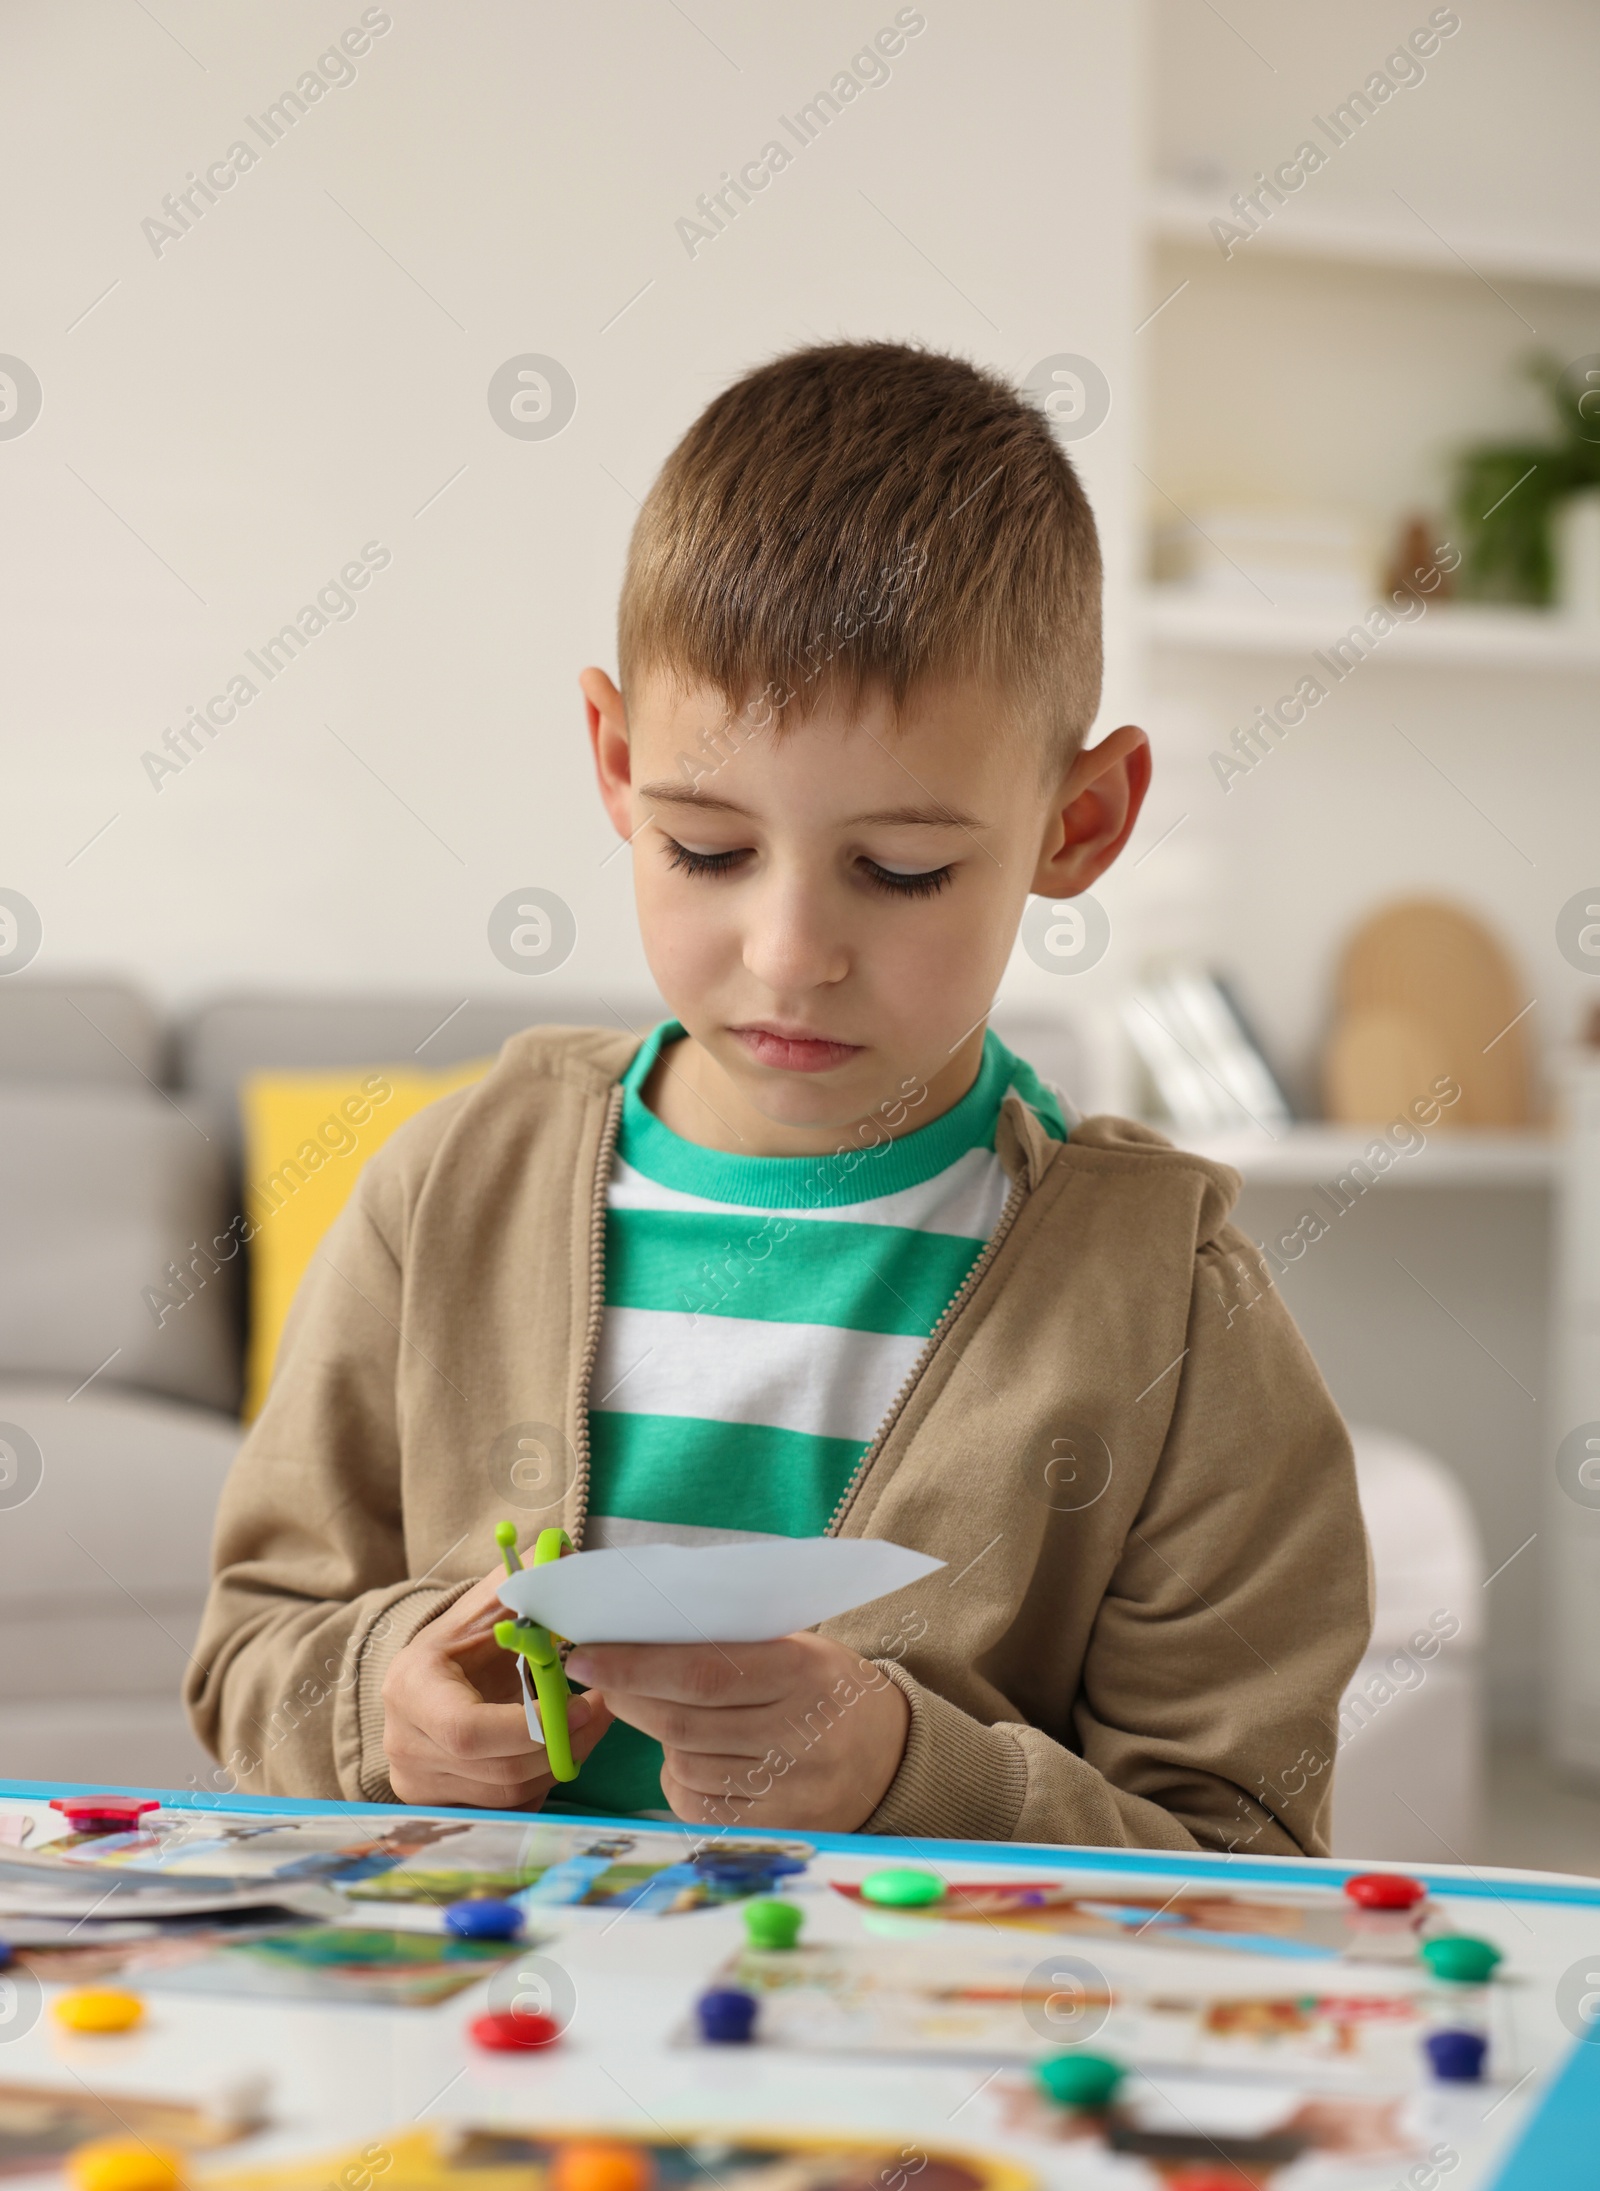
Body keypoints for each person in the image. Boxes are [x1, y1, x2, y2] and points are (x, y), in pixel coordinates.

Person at [187, 342, 1369, 1853]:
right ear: (616, 762)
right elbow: (252, 1654)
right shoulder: (449, 1192)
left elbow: (1243, 1860)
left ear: (1081, 823)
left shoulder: (1171, 1308)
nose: (791, 954)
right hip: (491, 2024)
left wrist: (910, 1775)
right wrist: (382, 1705)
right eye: (707, 849)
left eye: (902, 871)